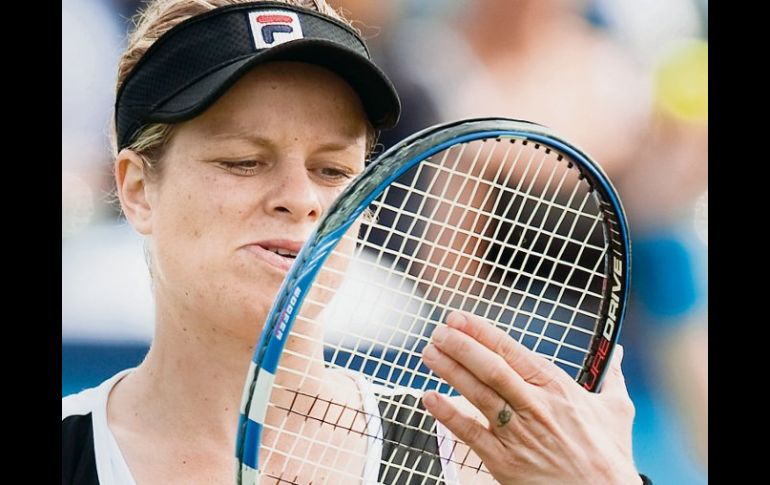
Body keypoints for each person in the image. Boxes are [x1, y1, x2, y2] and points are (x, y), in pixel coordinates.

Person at [62, 1, 649, 483]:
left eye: (333, 171)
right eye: (243, 161)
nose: (301, 198)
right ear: (137, 189)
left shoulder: (491, 464)